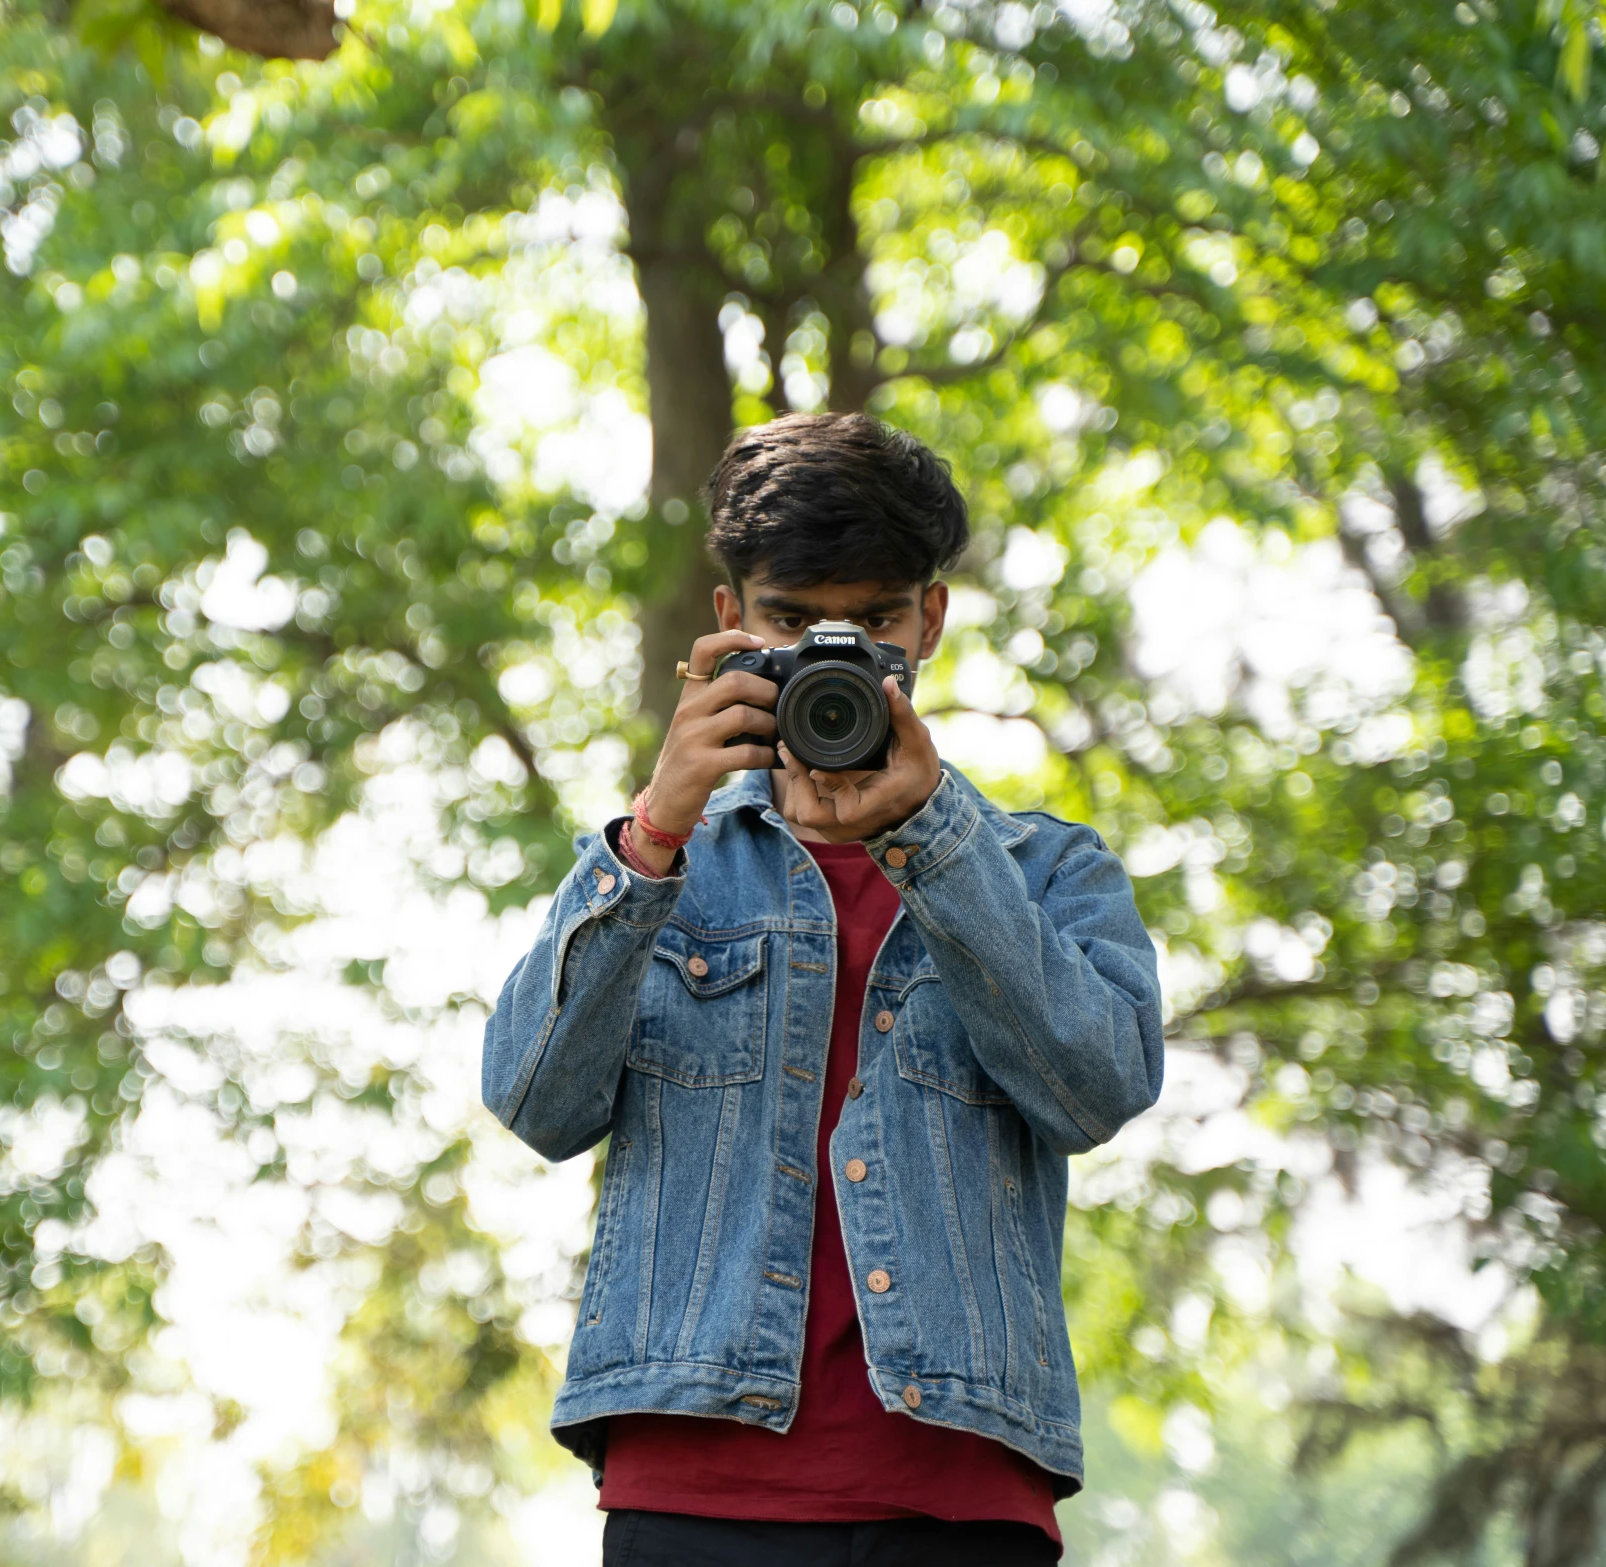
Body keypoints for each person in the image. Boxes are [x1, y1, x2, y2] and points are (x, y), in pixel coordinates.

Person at [480, 412, 1164, 1565]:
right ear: (730, 623)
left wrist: (933, 836)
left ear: (929, 619)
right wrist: (653, 829)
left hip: (957, 1493)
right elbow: (533, 1102)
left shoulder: (1047, 871)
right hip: (691, 1482)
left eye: (874, 619)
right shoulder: (658, 867)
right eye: (791, 621)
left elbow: (1095, 1089)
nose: (830, 655)